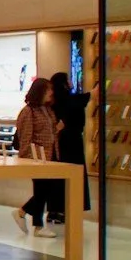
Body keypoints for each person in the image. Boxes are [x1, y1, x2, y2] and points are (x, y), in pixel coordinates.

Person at [15, 76, 65, 238]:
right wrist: (27, 158)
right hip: (37, 157)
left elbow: (48, 132)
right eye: (48, 89)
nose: (51, 92)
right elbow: (26, 137)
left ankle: (24, 214)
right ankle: (37, 224)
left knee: (46, 189)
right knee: (42, 189)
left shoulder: (47, 109)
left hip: (50, 155)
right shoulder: (28, 112)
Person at [50, 68, 92, 212]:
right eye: (68, 79)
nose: (71, 81)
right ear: (64, 84)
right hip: (73, 143)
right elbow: (91, 95)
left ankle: (56, 210)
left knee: (59, 177)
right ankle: (70, 208)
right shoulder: (72, 100)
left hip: (59, 144)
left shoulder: (54, 103)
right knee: (74, 175)